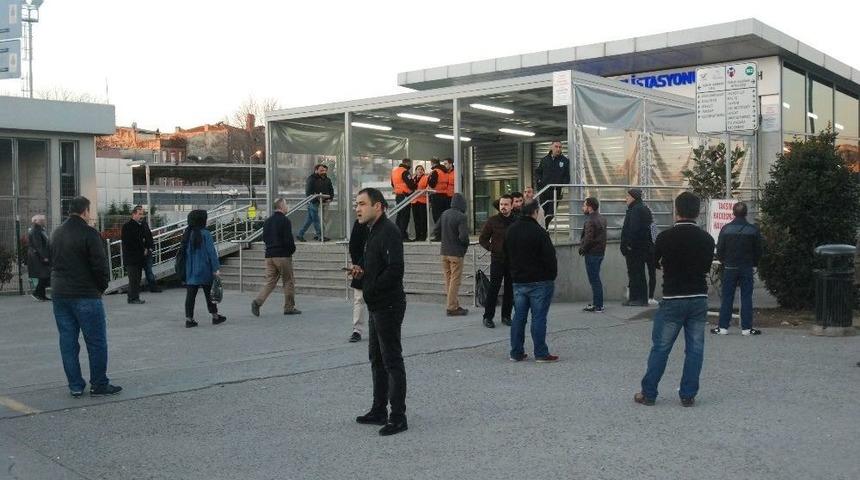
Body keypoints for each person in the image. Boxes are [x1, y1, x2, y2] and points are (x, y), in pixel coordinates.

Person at [634, 192, 714, 407]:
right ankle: (688, 394)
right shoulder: (707, 239)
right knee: (695, 349)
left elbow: (655, 261)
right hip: (698, 297)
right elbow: (706, 268)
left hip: (673, 297)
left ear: (676, 210)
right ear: (698, 212)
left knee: (661, 347)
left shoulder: (665, 237)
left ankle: (648, 393)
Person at [50, 196, 122, 397]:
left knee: (67, 340)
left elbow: (52, 262)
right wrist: (101, 287)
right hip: (85, 294)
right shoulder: (89, 233)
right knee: (96, 341)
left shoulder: (56, 233)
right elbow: (99, 265)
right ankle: (99, 384)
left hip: (60, 294)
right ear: (85, 211)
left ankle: (75, 385)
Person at [351, 187, 408, 436]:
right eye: (356, 204)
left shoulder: (389, 231)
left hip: (389, 304)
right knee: (376, 358)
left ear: (378, 206)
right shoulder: (371, 230)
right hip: (376, 303)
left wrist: (371, 286)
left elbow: (395, 269)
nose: (358, 208)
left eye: (362, 204)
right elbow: (376, 264)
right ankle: (378, 410)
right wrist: (361, 273)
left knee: (392, 359)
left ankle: (398, 417)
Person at [504, 200, 559, 363]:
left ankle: (516, 352)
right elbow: (550, 258)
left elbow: (505, 254)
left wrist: (513, 272)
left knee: (519, 317)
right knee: (539, 317)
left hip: (519, 280)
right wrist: (551, 276)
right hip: (540, 281)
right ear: (535, 212)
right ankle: (541, 353)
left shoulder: (511, 230)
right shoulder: (540, 232)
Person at [712, 202, 764, 336]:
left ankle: (723, 327)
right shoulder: (753, 229)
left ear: (733, 213)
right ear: (746, 213)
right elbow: (758, 250)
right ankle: (746, 328)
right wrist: (754, 262)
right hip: (746, 266)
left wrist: (724, 261)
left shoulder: (726, 229)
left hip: (729, 267)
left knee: (727, 297)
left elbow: (720, 250)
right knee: (746, 296)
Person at [251, 198, 301, 318]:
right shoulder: (285, 221)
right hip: (282, 255)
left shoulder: (267, 221)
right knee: (288, 281)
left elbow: (264, 238)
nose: (287, 206)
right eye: (286, 204)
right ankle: (289, 307)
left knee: (270, 281)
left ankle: (257, 302)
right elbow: (288, 240)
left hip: (269, 256)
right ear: (281, 206)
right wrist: (291, 250)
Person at [182, 209, 226, 328]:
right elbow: (211, 253)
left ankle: (189, 319)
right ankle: (215, 316)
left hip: (191, 270)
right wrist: (216, 268)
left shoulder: (188, 233)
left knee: (190, 295)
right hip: (205, 269)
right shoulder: (205, 234)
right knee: (210, 294)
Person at [479, 194, 515, 328]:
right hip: (497, 260)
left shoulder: (516, 221)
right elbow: (482, 239)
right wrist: (492, 248)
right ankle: (488, 317)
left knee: (510, 289)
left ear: (511, 206)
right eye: (501, 205)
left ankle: (506, 316)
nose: (503, 207)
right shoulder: (492, 221)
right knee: (493, 289)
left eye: (506, 204)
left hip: (512, 260)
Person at [433, 193, 470, 316]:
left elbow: (435, 230)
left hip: (444, 252)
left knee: (448, 280)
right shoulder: (461, 217)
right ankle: (452, 307)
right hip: (456, 253)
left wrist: (444, 240)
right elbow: (464, 237)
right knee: (455, 280)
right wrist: (464, 247)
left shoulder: (444, 214)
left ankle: (453, 304)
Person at [620, 188, 653, 307]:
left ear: (633, 197)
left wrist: (629, 245)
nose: (626, 199)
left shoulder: (637, 210)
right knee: (634, 273)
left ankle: (640, 299)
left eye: (627, 197)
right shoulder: (638, 208)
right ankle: (634, 298)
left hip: (636, 248)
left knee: (637, 273)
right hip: (638, 247)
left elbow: (634, 229)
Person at [580, 197, 607, 313]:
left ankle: (598, 305)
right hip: (600, 252)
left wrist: (582, 249)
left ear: (589, 207)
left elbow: (588, 238)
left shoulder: (590, 220)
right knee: (595, 278)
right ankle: (597, 303)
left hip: (592, 254)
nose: (583, 208)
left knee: (594, 280)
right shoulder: (602, 218)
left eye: (584, 205)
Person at [534, 141, 570, 229]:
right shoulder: (544, 160)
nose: (558, 149)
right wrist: (539, 181)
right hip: (544, 190)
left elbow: (566, 175)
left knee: (551, 213)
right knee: (543, 212)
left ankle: (543, 228)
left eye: (560, 147)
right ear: (551, 147)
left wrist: (563, 187)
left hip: (556, 191)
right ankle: (544, 229)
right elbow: (538, 172)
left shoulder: (564, 161)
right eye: (556, 147)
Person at [297, 163, 334, 242]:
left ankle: (300, 234)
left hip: (321, 202)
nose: (323, 172)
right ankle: (320, 236)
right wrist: (315, 199)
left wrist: (330, 198)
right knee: (316, 220)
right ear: (316, 170)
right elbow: (308, 192)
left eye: (324, 170)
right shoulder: (311, 179)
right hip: (313, 202)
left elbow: (331, 190)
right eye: (321, 170)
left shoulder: (325, 179)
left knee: (310, 220)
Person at [121, 205, 147, 305]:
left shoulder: (140, 225)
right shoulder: (127, 226)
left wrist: (145, 247)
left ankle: (135, 297)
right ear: (134, 214)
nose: (142, 216)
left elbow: (143, 239)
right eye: (139, 214)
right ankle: (132, 298)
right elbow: (128, 242)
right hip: (131, 258)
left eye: (142, 214)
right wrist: (141, 247)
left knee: (137, 278)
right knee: (133, 279)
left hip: (138, 257)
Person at [347, 218, 368, 343]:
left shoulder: (384, 226)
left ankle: (379, 327)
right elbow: (353, 246)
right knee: (359, 298)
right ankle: (357, 330)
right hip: (361, 266)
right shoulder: (359, 223)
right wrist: (357, 264)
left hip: (377, 268)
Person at [27, 214, 51, 301]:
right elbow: (38, 245)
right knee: (44, 275)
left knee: (44, 275)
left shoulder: (39, 229)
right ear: (35, 221)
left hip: (38, 256)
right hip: (38, 257)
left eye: (43, 220)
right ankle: (37, 293)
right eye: (41, 220)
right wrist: (44, 257)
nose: (43, 221)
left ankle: (41, 295)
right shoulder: (35, 230)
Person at [391, 158, 416, 241]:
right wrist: (414, 186)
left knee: (400, 215)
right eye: (410, 164)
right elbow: (411, 184)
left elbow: (392, 184)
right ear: (407, 163)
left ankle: (397, 235)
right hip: (405, 196)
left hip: (398, 195)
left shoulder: (394, 171)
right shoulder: (405, 172)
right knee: (405, 216)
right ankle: (403, 236)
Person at [141, 214, 162, 293]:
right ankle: (151, 287)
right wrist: (146, 248)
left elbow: (149, 237)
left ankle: (152, 287)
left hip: (147, 251)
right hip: (140, 252)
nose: (141, 216)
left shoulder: (144, 225)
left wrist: (150, 248)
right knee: (144, 270)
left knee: (148, 270)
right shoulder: (136, 226)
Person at [427, 157, 449, 228]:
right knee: (443, 215)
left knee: (436, 215)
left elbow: (432, 184)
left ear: (432, 163)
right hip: (445, 195)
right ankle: (444, 233)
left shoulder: (435, 171)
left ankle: (438, 234)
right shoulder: (445, 171)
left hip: (436, 195)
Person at [410, 164, 429, 241]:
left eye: (421, 169)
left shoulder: (426, 178)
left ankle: (423, 236)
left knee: (423, 219)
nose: (420, 171)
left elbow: (428, 188)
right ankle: (417, 236)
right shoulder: (413, 178)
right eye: (418, 169)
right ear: (416, 171)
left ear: (423, 171)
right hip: (414, 201)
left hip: (423, 201)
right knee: (416, 220)